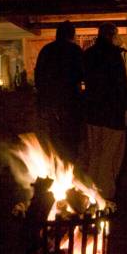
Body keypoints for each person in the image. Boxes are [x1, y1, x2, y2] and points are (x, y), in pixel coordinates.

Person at [82, 23, 127, 203]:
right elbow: (120, 84)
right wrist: (125, 108)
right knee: (111, 154)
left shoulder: (87, 54)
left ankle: (90, 191)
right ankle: (105, 194)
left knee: (95, 153)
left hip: (93, 111)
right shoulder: (115, 54)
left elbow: (83, 79)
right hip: (112, 111)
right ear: (113, 35)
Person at [34, 21, 83, 160]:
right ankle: (69, 169)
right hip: (70, 101)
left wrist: (43, 97)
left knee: (52, 139)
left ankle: (55, 167)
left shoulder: (46, 50)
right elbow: (82, 74)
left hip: (49, 102)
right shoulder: (75, 50)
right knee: (70, 140)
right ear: (71, 34)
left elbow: (38, 77)